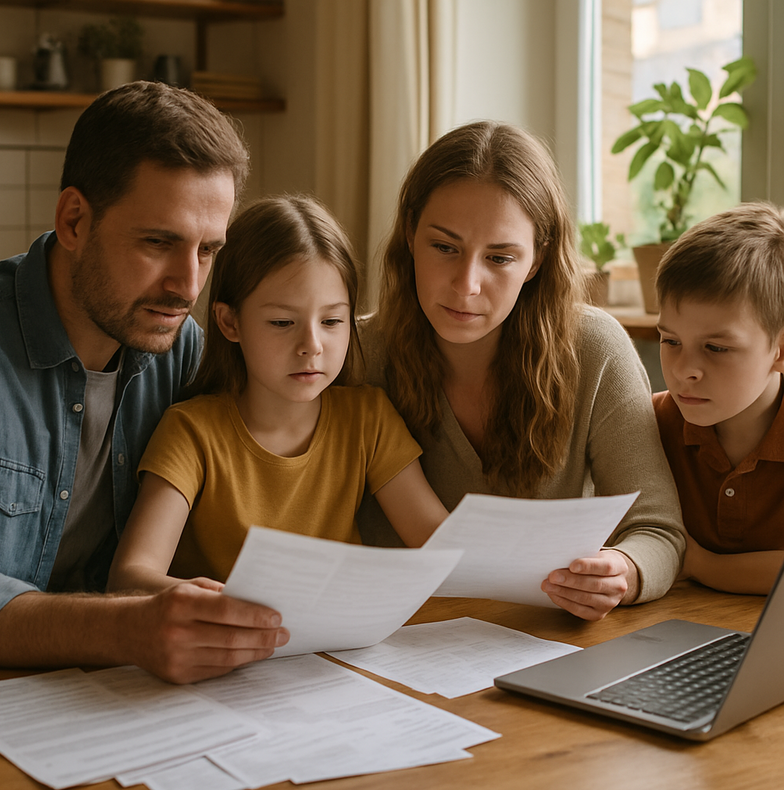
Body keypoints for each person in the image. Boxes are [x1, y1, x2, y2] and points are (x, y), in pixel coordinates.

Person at [0, 80, 289, 685]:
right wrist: (125, 628)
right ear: (74, 220)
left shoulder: (182, 350)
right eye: (159, 242)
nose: (188, 285)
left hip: (112, 694)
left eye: (208, 250)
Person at [357, 120, 686, 620]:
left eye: (500, 257)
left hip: (541, 643)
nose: (466, 284)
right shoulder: (353, 353)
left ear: (536, 260)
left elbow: (658, 530)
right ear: (409, 234)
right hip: (383, 646)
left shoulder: (594, 350)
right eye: (444, 248)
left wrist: (622, 569)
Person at [108, 195, 449, 592]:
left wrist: (536, 579)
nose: (312, 345)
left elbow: (441, 546)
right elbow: (129, 578)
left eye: (333, 320)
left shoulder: (369, 419)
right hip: (224, 646)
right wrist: (225, 607)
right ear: (229, 322)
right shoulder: (191, 432)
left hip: (333, 645)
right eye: (283, 322)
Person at [653, 202, 784, 595]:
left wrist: (697, 563)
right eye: (670, 341)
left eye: (716, 347)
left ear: (779, 352)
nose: (683, 370)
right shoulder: (647, 424)